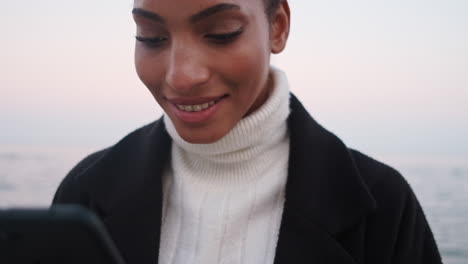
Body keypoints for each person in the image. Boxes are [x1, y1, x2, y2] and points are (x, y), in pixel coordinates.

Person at [53, 0, 443, 263]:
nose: (181, 76)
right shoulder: (83, 195)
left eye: (220, 33)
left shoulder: (385, 207)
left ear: (277, 26)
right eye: (151, 38)